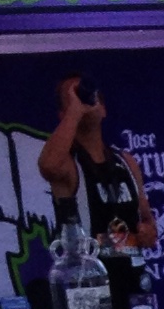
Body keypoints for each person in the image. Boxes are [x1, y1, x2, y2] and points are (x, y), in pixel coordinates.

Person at [36, 76, 157, 252]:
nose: (82, 102)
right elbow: (49, 166)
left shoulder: (126, 162)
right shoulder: (70, 164)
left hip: (132, 268)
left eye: (89, 97)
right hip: (85, 267)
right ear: (63, 115)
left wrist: (148, 232)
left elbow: (147, 220)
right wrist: (75, 113)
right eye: (72, 98)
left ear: (104, 109)